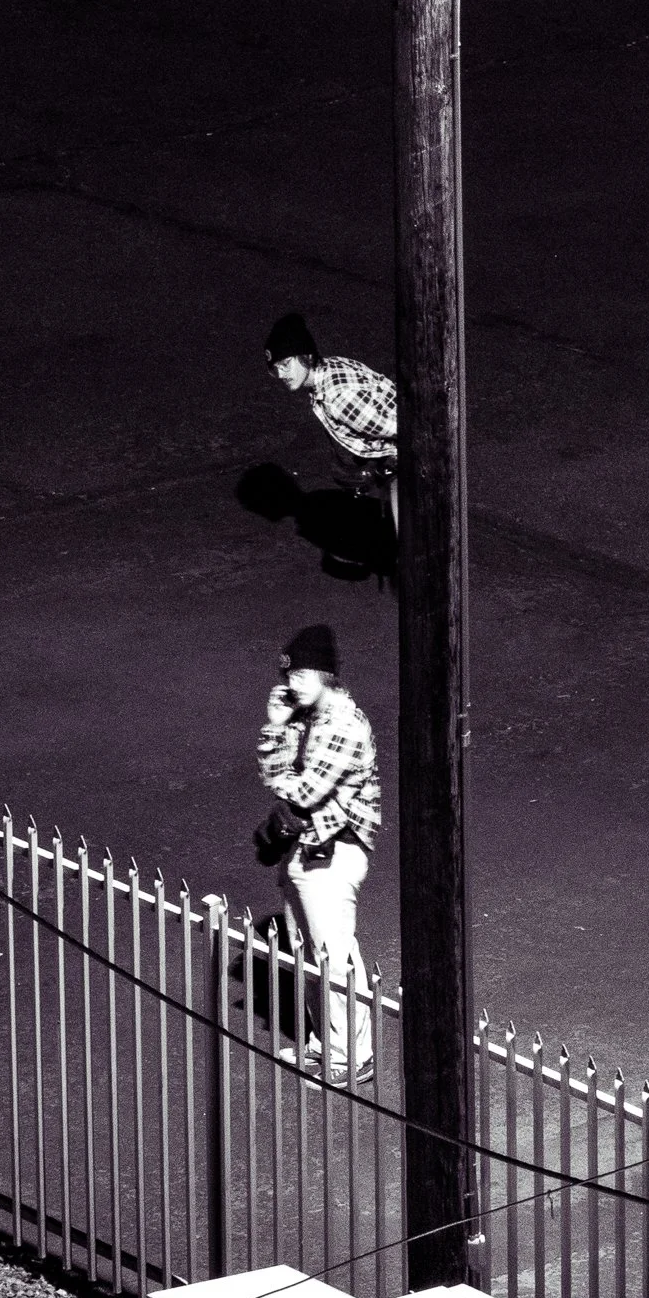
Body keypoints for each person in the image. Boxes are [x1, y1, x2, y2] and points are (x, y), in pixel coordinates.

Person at [255, 624, 382, 1083]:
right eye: (289, 673)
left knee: (333, 955)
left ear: (326, 674)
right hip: (305, 848)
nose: (292, 683)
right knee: (309, 954)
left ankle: (353, 1056)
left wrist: (284, 776)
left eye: (303, 673)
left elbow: (303, 792)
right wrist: (276, 727)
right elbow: (276, 779)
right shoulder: (309, 720)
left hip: (334, 853)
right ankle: (325, 1044)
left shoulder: (345, 725)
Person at [266, 313, 399, 529]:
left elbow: (411, 430)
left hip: (413, 466)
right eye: (275, 369)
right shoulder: (330, 368)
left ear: (306, 355)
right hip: (398, 465)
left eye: (286, 364)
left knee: (414, 548)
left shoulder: (337, 398)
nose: (281, 374)